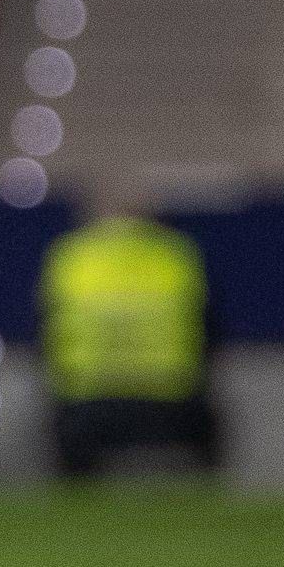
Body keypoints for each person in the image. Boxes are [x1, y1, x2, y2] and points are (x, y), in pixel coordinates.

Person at [40, 202, 220, 478]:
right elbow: (209, 327)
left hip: (87, 400)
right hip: (171, 397)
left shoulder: (71, 254)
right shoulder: (175, 253)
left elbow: (47, 328)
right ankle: (209, 488)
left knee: (64, 434)